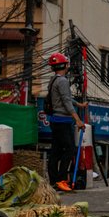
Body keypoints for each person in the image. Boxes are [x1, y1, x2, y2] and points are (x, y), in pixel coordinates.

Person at [43, 52, 85, 192]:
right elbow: (66, 101)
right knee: (69, 150)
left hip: (55, 120)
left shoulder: (54, 80)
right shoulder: (63, 81)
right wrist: (78, 119)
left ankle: (54, 181)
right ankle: (61, 180)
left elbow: (63, 97)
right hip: (63, 121)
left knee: (56, 151)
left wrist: (78, 104)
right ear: (65, 65)